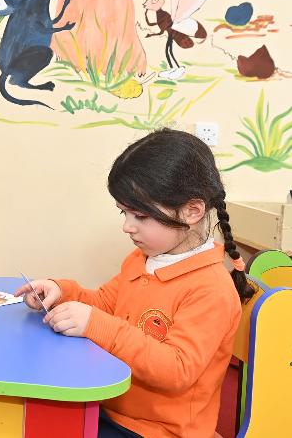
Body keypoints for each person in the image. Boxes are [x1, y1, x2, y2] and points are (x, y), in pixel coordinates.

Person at [15, 128, 255, 438]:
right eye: (124, 213)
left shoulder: (211, 289)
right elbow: (105, 303)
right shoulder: (142, 260)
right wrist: (61, 292)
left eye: (140, 216)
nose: (127, 227)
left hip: (160, 430)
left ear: (192, 211)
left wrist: (96, 324)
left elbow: (177, 369)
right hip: (113, 408)